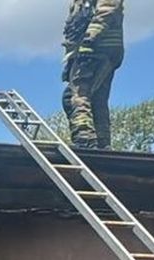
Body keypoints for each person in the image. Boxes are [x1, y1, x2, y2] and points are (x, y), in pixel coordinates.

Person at [61, 0, 124, 149]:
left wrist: (90, 38)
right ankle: (102, 143)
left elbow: (108, 9)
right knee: (97, 99)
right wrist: (71, 60)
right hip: (97, 50)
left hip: (96, 48)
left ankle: (84, 139)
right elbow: (75, 28)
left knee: (75, 95)